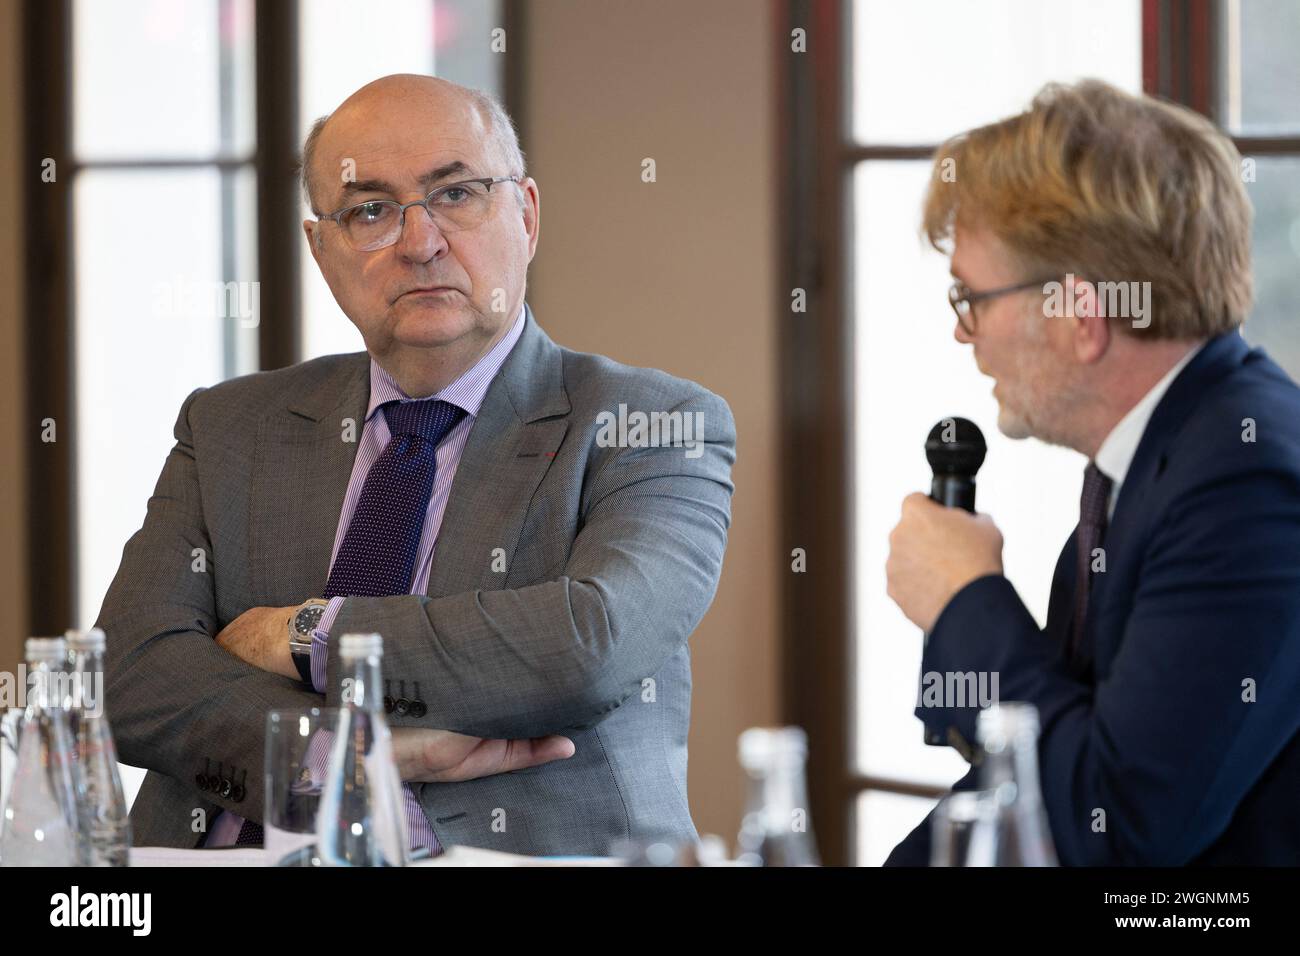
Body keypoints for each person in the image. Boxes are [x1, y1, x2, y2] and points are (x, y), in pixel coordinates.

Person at [100, 74, 735, 857]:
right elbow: (131, 673)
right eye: (369, 210)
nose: (420, 241)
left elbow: (589, 644)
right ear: (321, 248)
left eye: (458, 194)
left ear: (527, 216)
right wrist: (337, 758)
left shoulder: (653, 424)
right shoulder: (230, 424)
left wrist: (306, 634)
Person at [884, 79, 1300, 865]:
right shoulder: (1143, 461)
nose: (960, 332)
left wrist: (964, 600)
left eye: (971, 296)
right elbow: (1058, 749)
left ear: (1080, 315)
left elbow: (1116, 821)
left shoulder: (1247, 483)